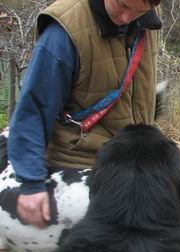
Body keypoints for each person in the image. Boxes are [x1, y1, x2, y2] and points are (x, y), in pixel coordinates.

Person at [7, 0, 162, 229]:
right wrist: (31, 183)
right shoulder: (63, 33)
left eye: (139, 11)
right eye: (121, 5)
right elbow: (34, 111)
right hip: (80, 159)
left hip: (131, 157)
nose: (126, 18)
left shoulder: (148, 10)